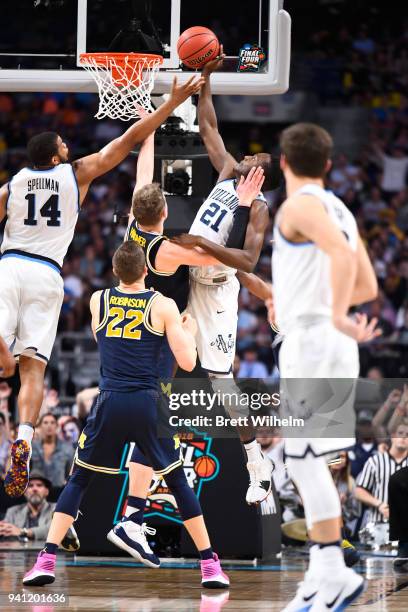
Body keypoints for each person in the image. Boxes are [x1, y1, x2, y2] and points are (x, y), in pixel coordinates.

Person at [0, 74, 204, 499]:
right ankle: (23, 437)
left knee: (6, 366)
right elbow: (129, 139)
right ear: (55, 158)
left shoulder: (13, 184)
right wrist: (171, 104)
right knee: (32, 369)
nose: (68, 147)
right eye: (62, 144)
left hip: (9, 265)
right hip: (46, 274)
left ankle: (2, 356)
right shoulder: (76, 173)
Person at [23, 241, 229, 589]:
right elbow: (189, 362)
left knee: (79, 480)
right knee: (178, 483)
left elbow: (104, 340)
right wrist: (187, 333)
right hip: (148, 402)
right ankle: (209, 564)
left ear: (116, 271)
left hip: (109, 400)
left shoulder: (97, 300)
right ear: (146, 271)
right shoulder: (162, 304)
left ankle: (45, 559)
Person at [270, 122, 379, 611]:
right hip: (329, 340)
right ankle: (321, 572)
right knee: (310, 462)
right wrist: (302, 302)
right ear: (329, 164)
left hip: (315, 339)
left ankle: (331, 570)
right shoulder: (342, 209)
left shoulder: (299, 205)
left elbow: (336, 257)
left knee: (303, 461)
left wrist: (327, 313)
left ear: (284, 162)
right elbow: (369, 287)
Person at [171, 50, 282, 504]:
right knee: (164, 359)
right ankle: (168, 455)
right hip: (189, 272)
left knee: (221, 383)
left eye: (254, 155)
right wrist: (206, 77)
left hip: (217, 288)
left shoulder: (257, 207)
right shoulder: (226, 170)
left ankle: (257, 463)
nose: (246, 152)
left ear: (258, 174)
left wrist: (200, 247)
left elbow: (247, 261)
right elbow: (210, 128)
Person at [0, 471, 79, 551]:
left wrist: (23, 532)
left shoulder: (57, 508)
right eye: (30, 486)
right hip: (18, 557)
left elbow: (55, 530)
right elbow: (6, 532)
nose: (35, 489)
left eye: (39, 485)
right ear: (24, 492)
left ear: (46, 491)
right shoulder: (13, 511)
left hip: (50, 554)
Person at [355, 422, 408, 527]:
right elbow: (359, 491)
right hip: (379, 526)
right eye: (400, 433)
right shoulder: (375, 461)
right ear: (392, 436)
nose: (403, 437)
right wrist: (379, 504)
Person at [31, 413, 75, 489]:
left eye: (52, 422)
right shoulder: (32, 447)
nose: (49, 425)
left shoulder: (67, 448)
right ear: (40, 426)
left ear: (57, 426)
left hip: (58, 492)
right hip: (37, 491)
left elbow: (71, 474)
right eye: (45, 422)